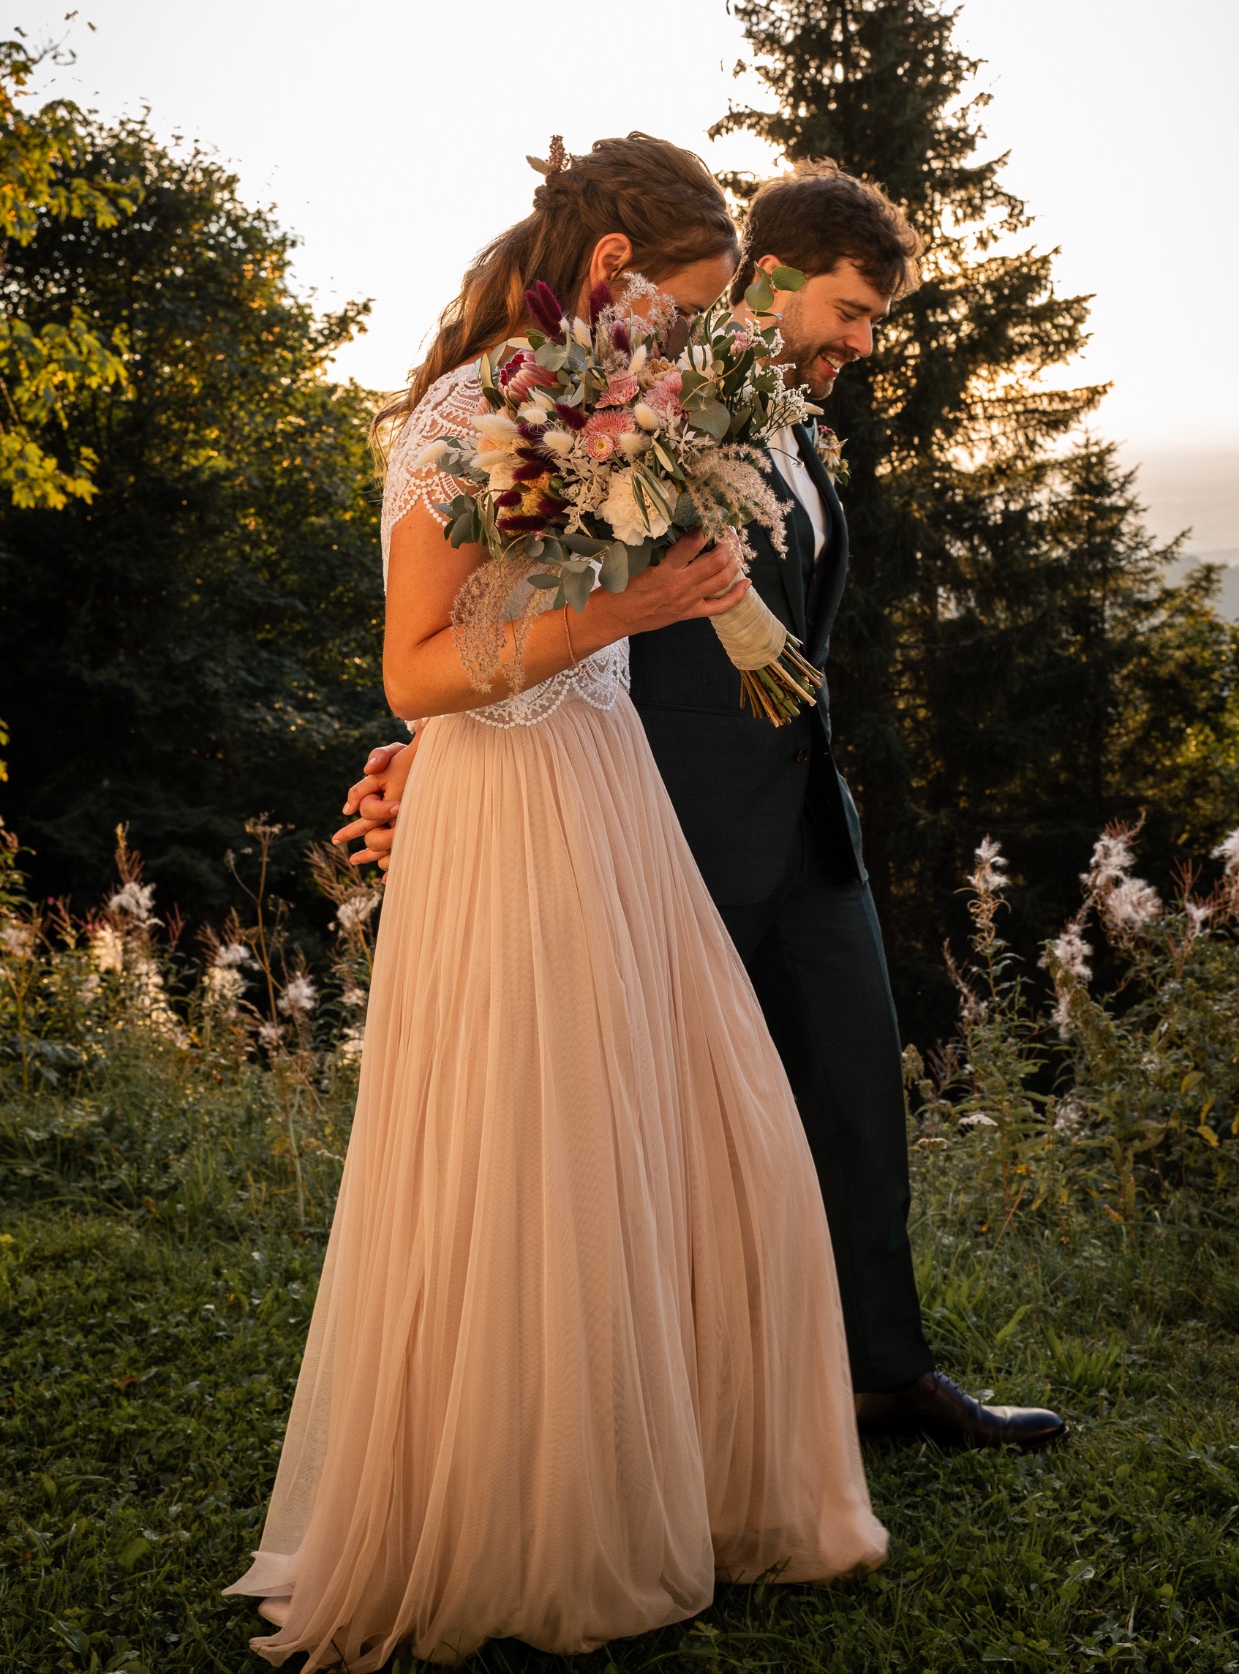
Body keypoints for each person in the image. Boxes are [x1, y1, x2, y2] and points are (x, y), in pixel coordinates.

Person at [225, 135, 887, 1672]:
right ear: (609, 277)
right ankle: (535, 1516)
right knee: (539, 1154)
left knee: (703, 1134)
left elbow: (541, 622)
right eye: (682, 304)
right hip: (511, 808)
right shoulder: (479, 414)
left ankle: (700, 1475)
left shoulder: (594, 402)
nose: (687, 339)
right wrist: (626, 606)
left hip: (604, 777)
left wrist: (685, 600)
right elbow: (417, 668)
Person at [344, 160, 1066, 1454]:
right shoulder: (625, 401)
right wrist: (423, 758)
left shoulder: (752, 420)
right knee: (669, 1137)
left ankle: (881, 1373)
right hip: (647, 824)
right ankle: (689, 1410)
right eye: (848, 311)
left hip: (797, 823)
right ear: (763, 284)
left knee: (848, 1093)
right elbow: (484, 603)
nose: (860, 342)